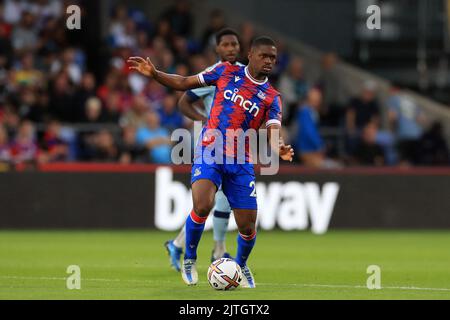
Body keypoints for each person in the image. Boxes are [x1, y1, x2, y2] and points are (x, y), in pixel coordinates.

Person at [128, 36, 294, 288]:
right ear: (250, 55)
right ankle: (190, 258)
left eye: (273, 57)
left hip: (240, 162)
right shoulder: (225, 71)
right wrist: (154, 74)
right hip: (211, 151)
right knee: (203, 205)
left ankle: (240, 264)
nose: (269, 61)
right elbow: (184, 83)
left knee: (248, 226)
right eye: (264, 55)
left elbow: (272, 130)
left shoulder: (272, 96)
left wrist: (278, 146)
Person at [164, 28, 244, 273]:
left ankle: (180, 244)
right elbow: (183, 101)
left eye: (234, 44)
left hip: (237, 144)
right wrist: (203, 119)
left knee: (222, 201)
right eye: (226, 45)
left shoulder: (244, 74)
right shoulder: (213, 75)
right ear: (217, 49)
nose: (231, 48)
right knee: (208, 202)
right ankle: (215, 249)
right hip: (213, 146)